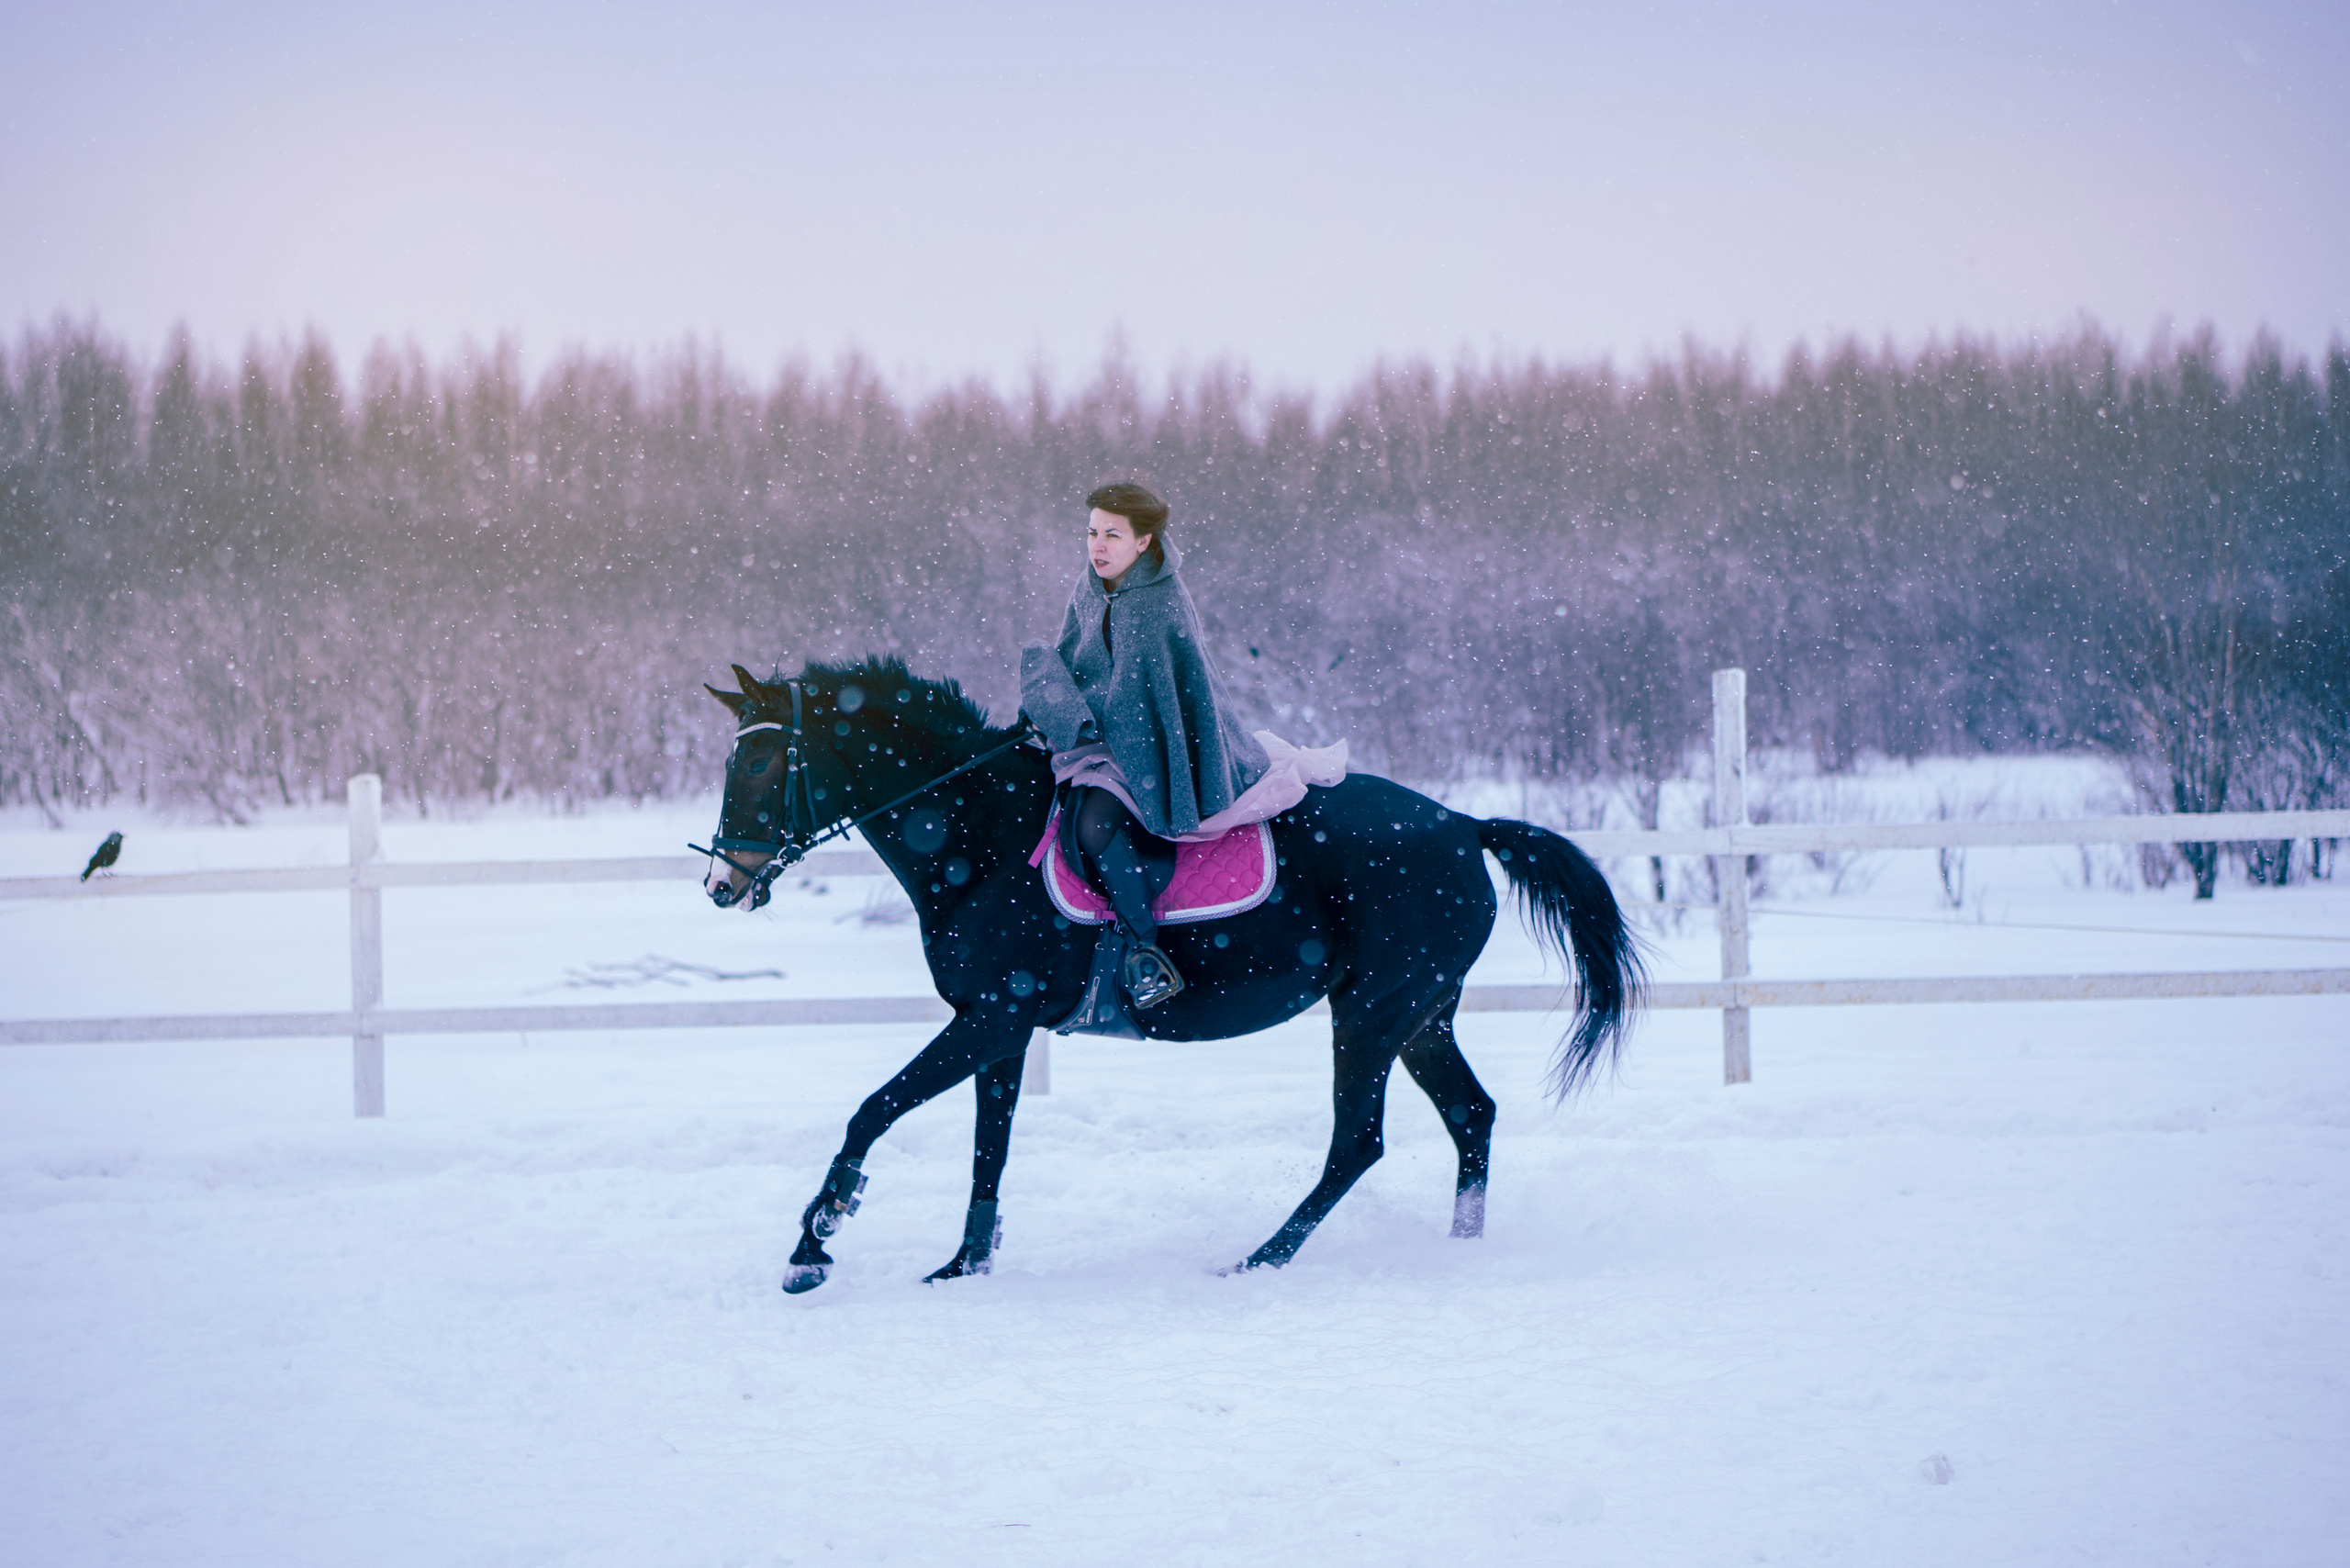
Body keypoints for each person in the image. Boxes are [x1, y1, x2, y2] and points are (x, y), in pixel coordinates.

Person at [1019, 482, 1274, 1009]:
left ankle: (1145, 951)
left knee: (1094, 823)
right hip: (1096, 738)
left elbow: (1157, 700)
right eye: (1092, 531)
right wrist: (1054, 706)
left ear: (1144, 541)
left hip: (1153, 748)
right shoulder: (1091, 586)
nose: (1098, 545)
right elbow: (1073, 654)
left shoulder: (1159, 603)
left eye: (1113, 534)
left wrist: (1094, 727)